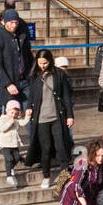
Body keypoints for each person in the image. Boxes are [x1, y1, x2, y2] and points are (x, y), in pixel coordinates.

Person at [25, 49, 74, 188]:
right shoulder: (35, 76)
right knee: (45, 149)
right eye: (40, 63)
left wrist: (70, 115)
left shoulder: (59, 75)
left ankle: (64, 177)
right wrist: (29, 107)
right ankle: (46, 176)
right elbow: (32, 95)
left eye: (45, 63)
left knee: (61, 147)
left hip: (57, 117)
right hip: (41, 118)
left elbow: (66, 96)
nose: (42, 66)